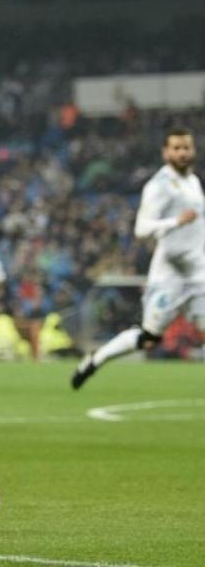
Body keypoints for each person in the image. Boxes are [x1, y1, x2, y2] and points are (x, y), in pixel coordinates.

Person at [72, 127, 204, 389]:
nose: (182, 152)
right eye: (176, 148)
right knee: (149, 338)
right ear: (165, 152)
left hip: (199, 275)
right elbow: (142, 228)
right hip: (169, 277)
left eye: (186, 147)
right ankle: (95, 359)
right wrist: (175, 221)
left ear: (193, 151)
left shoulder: (194, 182)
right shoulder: (159, 186)